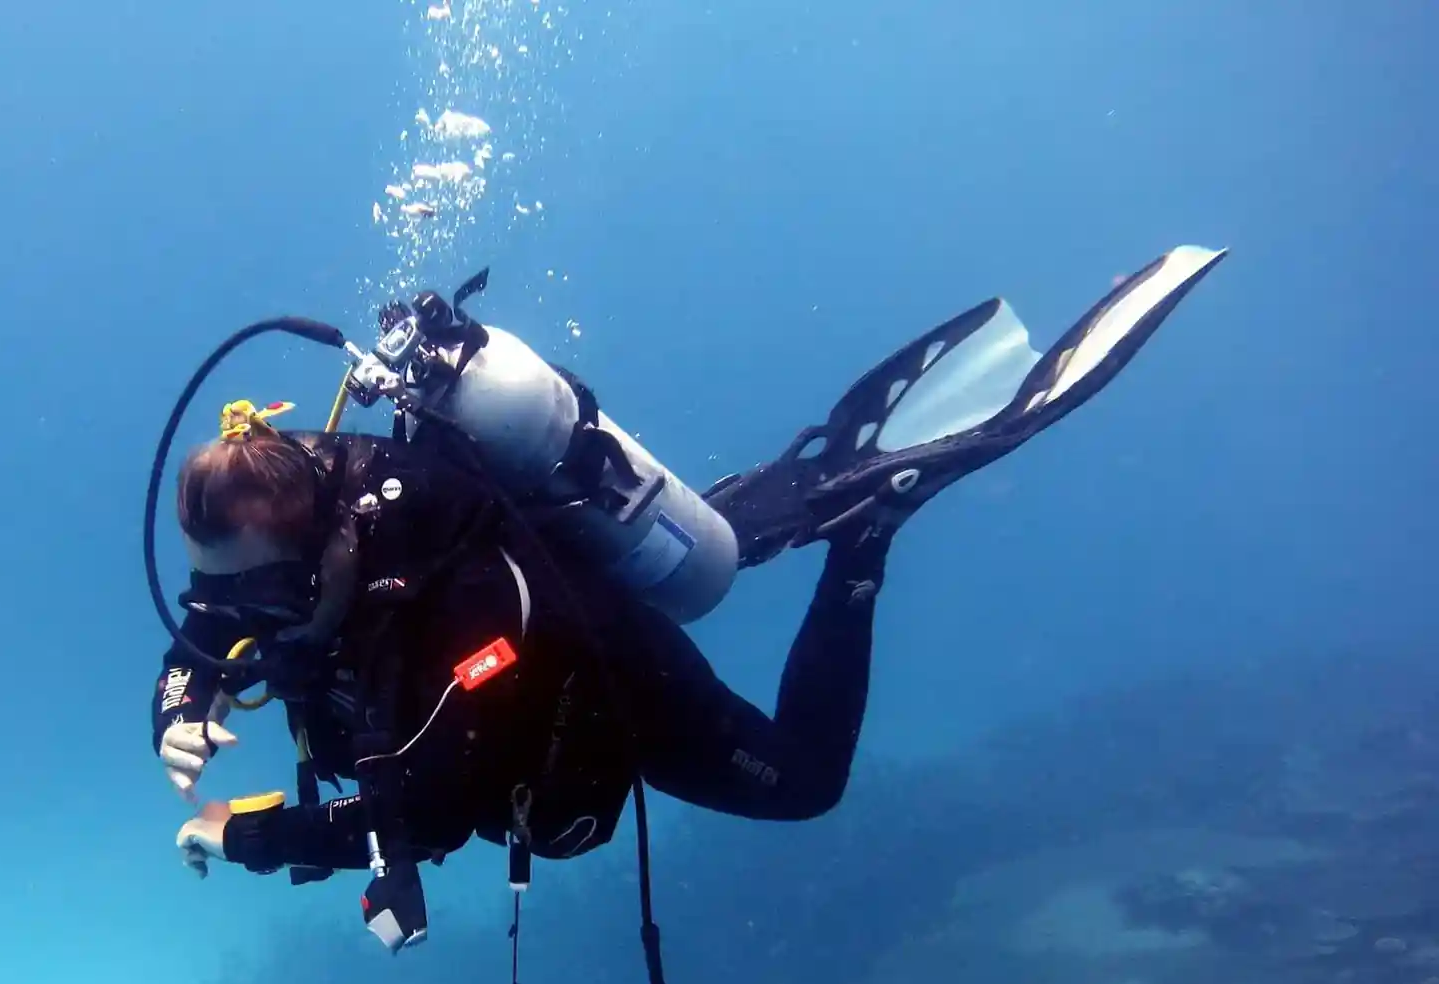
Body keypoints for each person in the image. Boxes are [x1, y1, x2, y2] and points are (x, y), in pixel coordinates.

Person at [157, 246, 1227, 898]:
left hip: (606, 670)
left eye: (251, 592)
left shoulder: (451, 607)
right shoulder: (295, 511)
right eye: (220, 590)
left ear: (322, 544)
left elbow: (426, 820)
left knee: (804, 786)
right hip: (514, 608)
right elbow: (204, 618)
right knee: (711, 545)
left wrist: (239, 834)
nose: (229, 614)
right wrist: (180, 695)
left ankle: (865, 540)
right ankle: (735, 518)